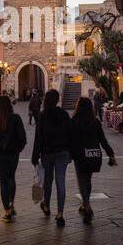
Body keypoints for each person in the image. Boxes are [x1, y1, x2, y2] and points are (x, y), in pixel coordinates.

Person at [71, 97, 117, 224]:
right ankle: (86, 204)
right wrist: (110, 154)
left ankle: (87, 206)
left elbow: (71, 140)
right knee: (88, 180)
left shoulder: (75, 121)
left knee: (82, 181)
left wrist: (69, 155)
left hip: (80, 155)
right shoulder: (95, 121)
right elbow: (103, 140)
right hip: (93, 155)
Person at [32, 89, 72, 227]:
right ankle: (60, 214)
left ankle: (47, 206)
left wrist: (35, 155)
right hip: (62, 152)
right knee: (61, 181)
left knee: (48, 180)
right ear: (57, 100)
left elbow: (38, 137)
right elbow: (70, 134)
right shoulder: (64, 114)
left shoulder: (43, 116)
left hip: (47, 153)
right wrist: (71, 153)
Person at [0, 96, 27, 223]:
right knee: (11, 178)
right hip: (13, 153)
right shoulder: (15, 118)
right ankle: (11, 203)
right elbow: (22, 138)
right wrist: (18, 149)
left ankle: (7, 212)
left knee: (3, 182)